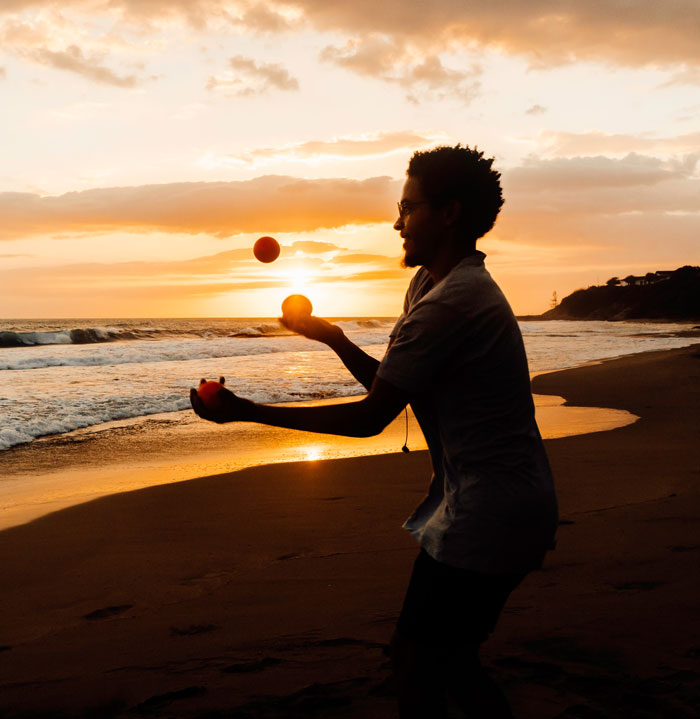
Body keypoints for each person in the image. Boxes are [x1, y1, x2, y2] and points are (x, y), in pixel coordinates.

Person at [190, 144, 558, 718]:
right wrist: (333, 338)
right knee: (448, 661)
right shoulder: (431, 287)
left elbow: (371, 419)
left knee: (420, 663)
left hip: (494, 511)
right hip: (486, 501)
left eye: (408, 209)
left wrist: (247, 412)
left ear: (449, 213)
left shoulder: (452, 303)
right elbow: (394, 385)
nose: (396, 222)